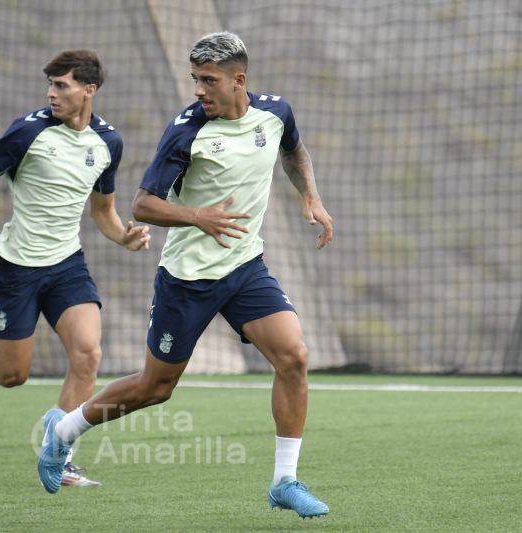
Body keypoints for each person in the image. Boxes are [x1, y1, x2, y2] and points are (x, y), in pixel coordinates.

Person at [37, 32, 333, 518]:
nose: (198, 89)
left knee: (294, 358)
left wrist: (311, 196)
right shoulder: (187, 130)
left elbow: (293, 151)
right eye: (195, 79)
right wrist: (200, 216)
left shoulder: (275, 113)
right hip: (187, 278)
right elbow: (142, 204)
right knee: (156, 387)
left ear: (239, 80)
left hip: (244, 268)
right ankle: (63, 430)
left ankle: (285, 481)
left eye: (208, 80)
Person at [0, 49, 151, 489]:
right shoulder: (28, 132)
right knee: (11, 375)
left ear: (89, 90)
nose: (52, 93)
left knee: (88, 354)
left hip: (67, 266)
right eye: (50, 85)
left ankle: (61, 456)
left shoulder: (109, 142)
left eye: (62, 85)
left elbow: (103, 210)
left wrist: (123, 237)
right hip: (15, 268)